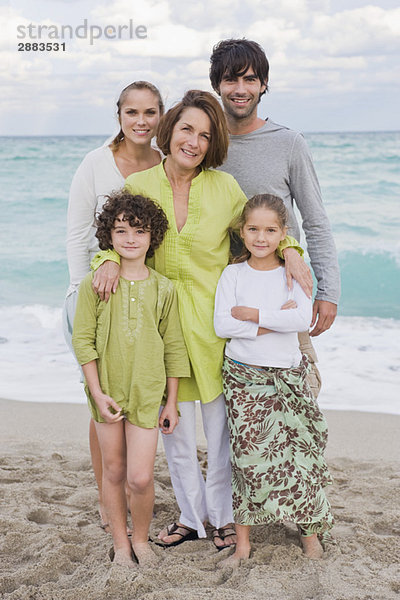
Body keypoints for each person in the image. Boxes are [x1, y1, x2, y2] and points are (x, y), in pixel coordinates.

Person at [91, 90, 307, 551]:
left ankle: (224, 517)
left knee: (221, 433)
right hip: (159, 331)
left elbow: (259, 228)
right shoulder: (142, 185)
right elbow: (120, 235)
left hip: (214, 330)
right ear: (170, 131)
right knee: (176, 435)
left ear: (213, 144)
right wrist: (106, 260)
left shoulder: (224, 188)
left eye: (205, 135)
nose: (194, 141)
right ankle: (192, 518)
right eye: (187, 129)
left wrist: (291, 251)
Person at [209, 38, 341, 397]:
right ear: (216, 84)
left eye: (250, 79)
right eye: (230, 80)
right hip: (225, 293)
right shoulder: (203, 144)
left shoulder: (289, 143)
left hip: (282, 289)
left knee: (298, 398)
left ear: (264, 85)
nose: (240, 90)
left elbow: (315, 220)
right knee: (234, 407)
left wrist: (328, 291)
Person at [64, 81, 164, 531]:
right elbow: (78, 232)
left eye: (150, 112)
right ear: (118, 115)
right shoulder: (95, 163)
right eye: (132, 112)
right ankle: (108, 499)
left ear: (161, 114)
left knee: (126, 393)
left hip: (142, 294)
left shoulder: (164, 162)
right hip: (95, 294)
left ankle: (125, 492)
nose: (141, 121)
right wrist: (78, 286)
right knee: (100, 396)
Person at [214, 194, 333, 568]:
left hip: (288, 374)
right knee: (247, 459)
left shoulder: (292, 272)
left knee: (301, 455)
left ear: (284, 234)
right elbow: (223, 325)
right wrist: (271, 322)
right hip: (243, 376)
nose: (260, 237)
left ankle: (309, 534)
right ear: (241, 231)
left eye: (270, 230)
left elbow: (300, 320)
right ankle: (243, 544)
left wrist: (251, 316)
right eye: (253, 229)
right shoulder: (233, 274)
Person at [72, 191, 190, 567]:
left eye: (139, 231)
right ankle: (121, 545)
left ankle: (141, 539)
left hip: (147, 393)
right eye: (121, 231)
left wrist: (171, 402)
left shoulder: (164, 288)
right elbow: (83, 340)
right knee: (114, 470)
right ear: (109, 235)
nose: (130, 239)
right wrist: (96, 391)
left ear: (152, 236)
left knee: (139, 478)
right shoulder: (98, 282)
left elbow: (174, 347)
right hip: (106, 392)